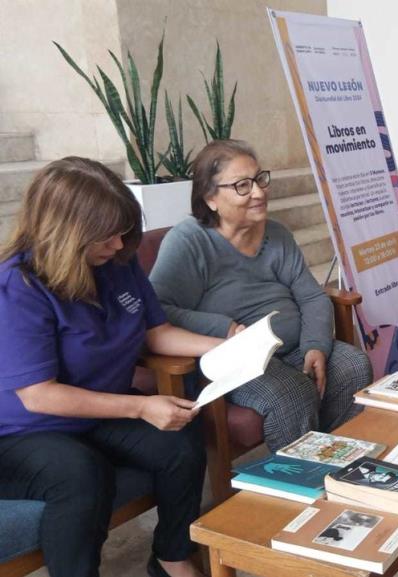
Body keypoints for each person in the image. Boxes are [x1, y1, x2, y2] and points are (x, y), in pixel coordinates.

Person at [0, 158, 224, 577]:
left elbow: (156, 333)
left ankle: (171, 556)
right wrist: (140, 407)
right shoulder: (19, 286)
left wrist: (228, 345)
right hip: (23, 431)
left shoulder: (117, 265)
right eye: (106, 236)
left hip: (96, 414)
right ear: (66, 234)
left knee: (179, 435)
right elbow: (39, 395)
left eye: (124, 232)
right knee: (80, 474)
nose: (120, 244)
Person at [148, 140, 373, 452]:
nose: (258, 192)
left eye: (259, 179)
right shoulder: (189, 242)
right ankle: (298, 484)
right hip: (239, 359)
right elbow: (157, 310)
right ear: (210, 198)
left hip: (293, 347)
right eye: (242, 186)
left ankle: (332, 459)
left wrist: (315, 347)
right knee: (291, 394)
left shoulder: (276, 233)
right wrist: (223, 327)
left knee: (353, 365)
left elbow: (312, 297)